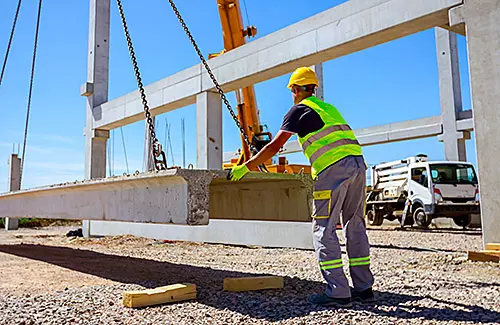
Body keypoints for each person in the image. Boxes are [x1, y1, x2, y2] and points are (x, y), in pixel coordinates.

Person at [228, 67, 375, 307]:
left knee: (324, 228)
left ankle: (338, 291)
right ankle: (364, 288)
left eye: (292, 91)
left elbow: (275, 146)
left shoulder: (298, 110)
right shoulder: (328, 108)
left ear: (295, 90)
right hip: (358, 166)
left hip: (332, 169)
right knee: (355, 225)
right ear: (313, 87)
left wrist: (247, 166)